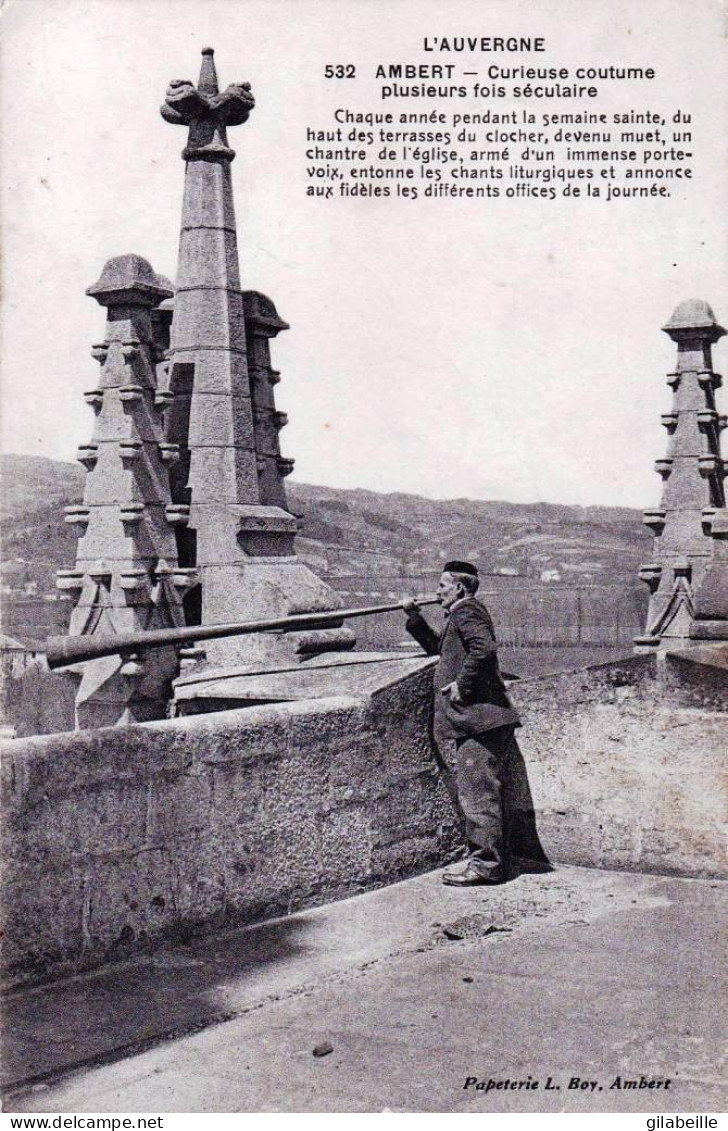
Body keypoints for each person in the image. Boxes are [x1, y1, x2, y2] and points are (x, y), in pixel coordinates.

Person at [403, 560, 521, 886]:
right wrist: (415, 619)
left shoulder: (468, 611)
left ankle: (486, 866)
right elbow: (437, 649)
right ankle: (493, 862)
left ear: (459, 588)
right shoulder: (460, 614)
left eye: (442, 585)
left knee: (478, 797)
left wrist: (461, 685)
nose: (436, 590)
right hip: (478, 722)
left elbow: (483, 648)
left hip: (477, 722)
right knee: (481, 794)